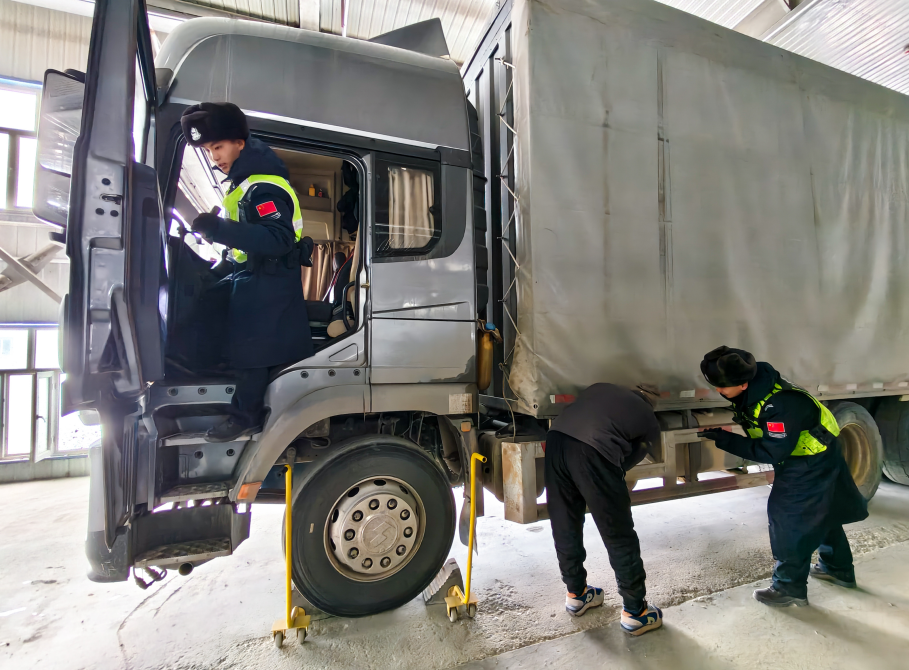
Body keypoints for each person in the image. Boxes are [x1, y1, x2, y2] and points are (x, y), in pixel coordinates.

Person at [180, 102, 314, 442]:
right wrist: (217, 272)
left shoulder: (264, 187)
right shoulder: (244, 184)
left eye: (218, 147)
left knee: (252, 352)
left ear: (239, 142)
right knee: (236, 337)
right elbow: (244, 247)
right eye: (208, 151)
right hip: (256, 278)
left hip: (269, 283)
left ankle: (246, 417)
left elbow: (278, 239)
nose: (214, 157)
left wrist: (217, 228)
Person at [697, 346, 868, 607]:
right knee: (822, 512)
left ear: (743, 384)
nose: (718, 391)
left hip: (808, 462)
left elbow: (771, 451)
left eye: (721, 387)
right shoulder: (760, 384)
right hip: (814, 454)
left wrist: (726, 440)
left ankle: (788, 588)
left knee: (789, 520)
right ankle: (838, 569)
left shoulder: (781, 405)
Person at [545, 383, 663, 636]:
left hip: (556, 440)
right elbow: (641, 456)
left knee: (565, 522)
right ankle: (636, 613)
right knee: (618, 532)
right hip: (594, 450)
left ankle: (576, 595)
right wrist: (609, 478)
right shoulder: (648, 416)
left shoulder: (602, 388)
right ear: (651, 403)